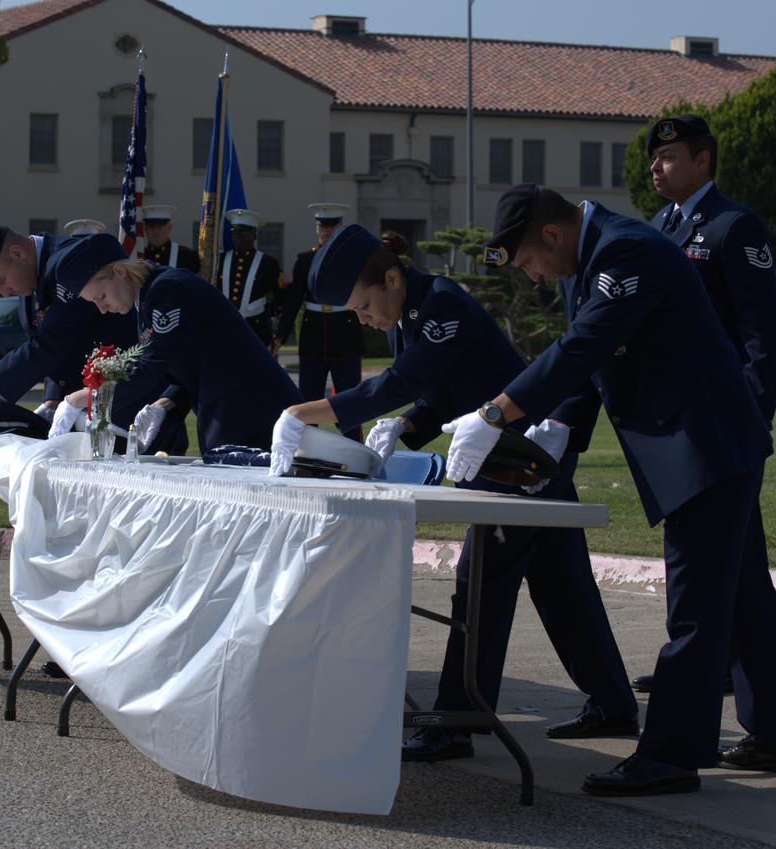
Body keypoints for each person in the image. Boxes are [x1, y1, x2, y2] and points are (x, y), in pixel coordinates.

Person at [446, 184, 776, 795]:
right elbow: (590, 363)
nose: (533, 278)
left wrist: (496, 413)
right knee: (743, 594)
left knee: (694, 606)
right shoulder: (584, 260)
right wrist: (559, 428)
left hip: (704, 442)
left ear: (554, 236)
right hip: (694, 441)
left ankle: (670, 754)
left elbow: (583, 343)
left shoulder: (627, 250)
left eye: (531, 262)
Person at [268, 224, 639, 762]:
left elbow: (397, 384)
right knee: (563, 584)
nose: (364, 318)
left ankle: (455, 721)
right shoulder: (410, 310)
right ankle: (612, 702)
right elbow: (438, 391)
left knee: (481, 581)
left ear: (392, 278)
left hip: (524, 457)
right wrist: (408, 427)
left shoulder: (442, 303)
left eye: (365, 304)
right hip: (502, 457)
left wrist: (303, 413)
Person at [630, 117, 776, 752]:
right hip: (687, 432)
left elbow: (762, 337)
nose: (656, 168)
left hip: (721, 435)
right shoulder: (663, 230)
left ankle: (765, 728)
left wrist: (750, 421)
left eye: (669, 157)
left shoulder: (732, 228)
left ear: (703, 160)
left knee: (729, 582)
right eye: (654, 159)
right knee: (743, 584)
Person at [49, 233, 301, 452]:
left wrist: (88, 396)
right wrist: (166, 401)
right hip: (232, 410)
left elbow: (152, 365)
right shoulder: (148, 297)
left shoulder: (169, 290)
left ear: (119, 271)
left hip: (254, 412)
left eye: (100, 296)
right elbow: (191, 357)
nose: (102, 309)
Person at [0, 224, 185, 454]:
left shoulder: (66, 264)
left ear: (17, 253)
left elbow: (52, 343)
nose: (5, 292)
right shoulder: (33, 276)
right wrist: (52, 399)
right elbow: (65, 346)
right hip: (87, 418)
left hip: (135, 412)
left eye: (1, 281)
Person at [275, 203, 366, 440]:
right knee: (308, 400)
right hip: (313, 335)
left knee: (349, 400)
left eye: (332, 226)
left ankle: (353, 451)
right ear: (316, 229)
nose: (326, 231)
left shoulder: (352, 260)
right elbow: (293, 301)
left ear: (339, 228)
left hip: (345, 334)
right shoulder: (305, 260)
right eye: (322, 227)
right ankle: (309, 454)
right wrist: (280, 337)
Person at [214, 209, 285, 352]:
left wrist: (277, 333)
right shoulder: (219, 261)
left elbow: (281, 300)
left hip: (257, 332)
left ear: (254, 235)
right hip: (224, 331)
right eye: (235, 232)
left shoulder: (268, 263)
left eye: (244, 233)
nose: (239, 237)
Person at [141, 205, 201, 273]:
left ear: (169, 228)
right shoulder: (139, 256)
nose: (155, 232)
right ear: (145, 229)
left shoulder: (187, 256)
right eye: (151, 226)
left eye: (160, 226)